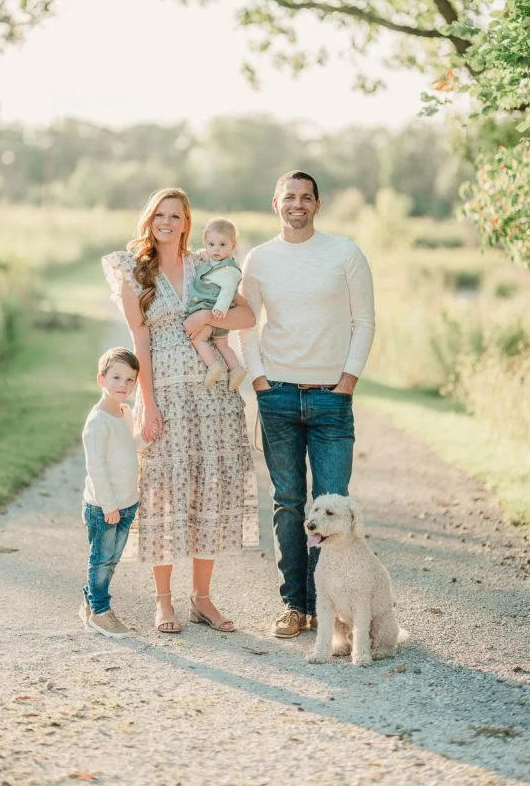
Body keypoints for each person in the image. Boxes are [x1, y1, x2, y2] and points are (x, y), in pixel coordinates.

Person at [102, 188, 259, 634]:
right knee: (163, 494)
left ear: (187, 221)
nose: (166, 222)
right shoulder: (134, 272)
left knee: (209, 489)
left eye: (175, 215)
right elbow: (140, 342)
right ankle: (164, 601)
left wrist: (207, 319)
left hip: (212, 400)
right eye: (159, 214)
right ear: (150, 219)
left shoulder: (205, 264)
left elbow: (246, 317)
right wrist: (147, 404)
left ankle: (203, 599)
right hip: (166, 397)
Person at [236, 171, 375, 639]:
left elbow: (364, 321)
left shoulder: (345, 253)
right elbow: (245, 322)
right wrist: (258, 379)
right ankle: (297, 605)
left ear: (318, 203)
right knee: (289, 504)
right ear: (276, 202)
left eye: (305, 197)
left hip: (331, 399)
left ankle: (331, 613)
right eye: (289, 196)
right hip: (276, 394)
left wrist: (348, 379)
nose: (297, 204)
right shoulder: (259, 259)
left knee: (333, 508)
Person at [80, 347, 147, 639]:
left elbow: (127, 447)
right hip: (104, 507)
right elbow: (96, 467)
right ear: (101, 380)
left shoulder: (125, 413)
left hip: (126, 503)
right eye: (116, 377)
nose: (123, 384)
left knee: (111, 560)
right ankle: (101, 613)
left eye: (130, 380)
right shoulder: (97, 423)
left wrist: (145, 437)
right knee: (101, 560)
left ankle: (91, 600)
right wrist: (108, 505)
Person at [186, 217, 247, 391]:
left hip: (213, 313)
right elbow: (210, 259)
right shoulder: (215, 261)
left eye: (222, 245)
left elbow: (228, 290)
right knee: (222, 344)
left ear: (233, 246)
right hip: (216, 315)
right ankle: (235, 368)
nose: (216, 249)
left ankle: (214, 366)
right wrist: (206, 252)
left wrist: (220, 308)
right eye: (211, 245)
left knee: (199, 338)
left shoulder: (229, 270)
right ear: (205, 244)